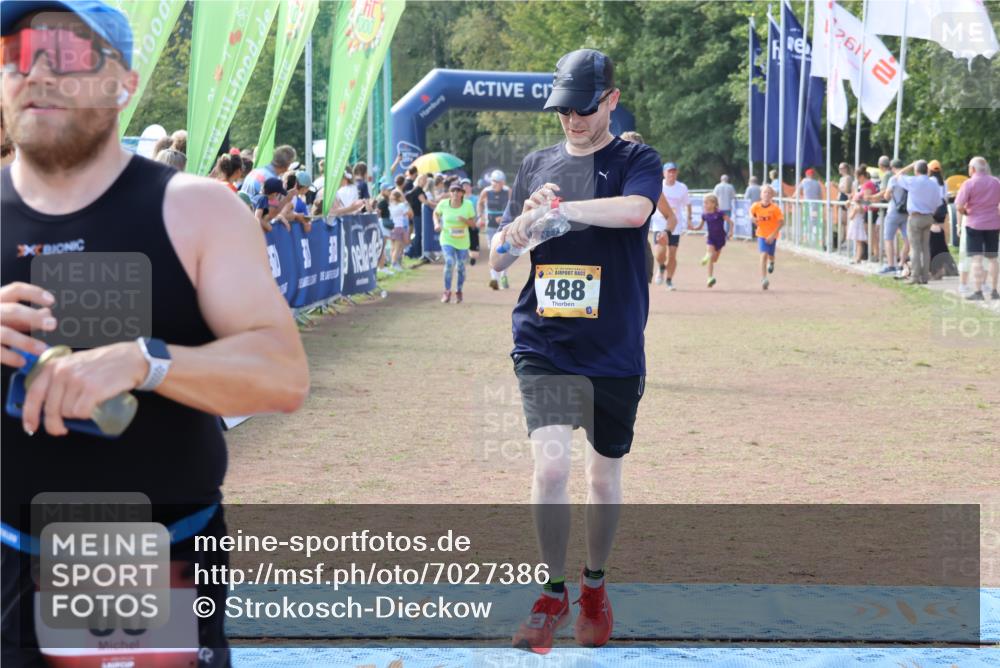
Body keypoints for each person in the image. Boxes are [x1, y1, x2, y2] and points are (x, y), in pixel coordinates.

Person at [0, 4, 309, 666]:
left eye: (71, 52)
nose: (40, 70)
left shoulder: (195, 210)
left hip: (152, 560)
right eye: (18, 50)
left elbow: (282, 375)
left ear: (125, 83)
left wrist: (148, 362)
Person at [489, 48, 661, 654]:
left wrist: (562, 213)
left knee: (604, 479)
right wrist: (517, 231)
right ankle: (551, 591)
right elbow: (500, 258)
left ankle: (594, 586)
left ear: (611, 101)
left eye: (584, 109)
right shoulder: (536, 164)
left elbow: (636, 211)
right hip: (545, 342)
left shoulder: (637, 158)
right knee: (552, 467)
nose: (573, 121)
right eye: (563, 110)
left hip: (614, 345)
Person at [620, 131, 674, 285]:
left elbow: (671, 217)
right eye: (622, 148)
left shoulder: (648, 186)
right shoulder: (606, 176)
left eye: (631, 149)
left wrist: (666, 232)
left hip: (638, 252)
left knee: (635, 306)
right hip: (608, 251)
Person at [955, 156, 1000, 300]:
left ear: (973, 169)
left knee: (976, 258)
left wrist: (966, 212)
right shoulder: (996, 182)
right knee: (993, 258)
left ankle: (978, 291)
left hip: (974, 224)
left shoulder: (969, 184)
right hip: (993, 224)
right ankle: (994, 290)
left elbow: (959, 206)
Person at [896, 160, 944, 285]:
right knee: (925, 248)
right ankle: (925, 277)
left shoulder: (912, 181)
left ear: (916, 170)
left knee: (915, 248)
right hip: (928, 217)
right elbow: (938, 203)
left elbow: (897, 175)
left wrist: (910, 165)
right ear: (927, 170)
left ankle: (915, 276)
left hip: (915, 217)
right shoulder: (933, 184)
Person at [434, 181, 475, 303]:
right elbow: (435, 213)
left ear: (463, 193)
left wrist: (465, 220)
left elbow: (473, 225)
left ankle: (459, 290)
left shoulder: (468, 205)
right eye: (453, 191)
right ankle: (447, 291)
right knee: (450, 262)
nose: (455, 193)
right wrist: (436, 223)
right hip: (447, 239)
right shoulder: (443, 204)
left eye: (458, 191)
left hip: (463, 241)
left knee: (461, 267)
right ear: (450, 193)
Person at [478, 169, 512, 289]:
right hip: (491, 225)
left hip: (505, 226)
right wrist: (480, 216)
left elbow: (513, 205)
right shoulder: (486, 191)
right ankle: (494, 279)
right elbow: (480, 204)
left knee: (505, 251)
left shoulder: (508, 191)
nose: (495, 183)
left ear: (503, 182)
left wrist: (506, 216)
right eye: (494, 181)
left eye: (498, 181)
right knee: (492, 251)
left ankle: (503, 275)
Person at [690, 193, 732, 288]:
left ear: (713, 204)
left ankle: (709, 256)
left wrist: (731, 232)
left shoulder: (720, 213)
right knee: (710, 255)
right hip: (711, 238)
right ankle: (710, 278)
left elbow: (731, 222)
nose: (704, 205)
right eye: (704, 203)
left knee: (714, 260)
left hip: (721, 239)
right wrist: (694, 228)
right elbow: (700, 227)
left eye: (706, 203)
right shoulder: (704, 215)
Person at [661, 161, 691, 291]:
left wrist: (689, 219)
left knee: (672, 254)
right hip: (660, 223)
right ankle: (661, 266)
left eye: (674, 171)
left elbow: (687, 204)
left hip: (675, 224)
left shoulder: (682, 187)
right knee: (660, 252)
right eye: (669, 171)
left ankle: (669, 280)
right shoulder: (658, 185)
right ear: (664, 173)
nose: (672, 174)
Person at [927, 161, 958, 279]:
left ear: (930, 170)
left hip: (933, 209)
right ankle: (946, 266)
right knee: (941, 239)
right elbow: (945, 197)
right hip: (942, 211)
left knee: (932, 240)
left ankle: (934, 268)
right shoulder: (944, 183)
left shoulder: (930, 181)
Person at [751, 184, 784, 290]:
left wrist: (773, 234)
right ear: (761, 195)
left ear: (772, 196)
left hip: (772, 235)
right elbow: (750, 213)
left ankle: (772, 262)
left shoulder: (775, 208)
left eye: (769, 193)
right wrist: (752, 218)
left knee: (770, 255)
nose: (766, 194)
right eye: (765, 192)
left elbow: (781, 222)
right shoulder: (756, 206)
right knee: (763, 255)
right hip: (761, 234)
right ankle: (764, 279)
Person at [881, 159, 911, 275]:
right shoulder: (908, 179)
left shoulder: (893, 179)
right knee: (907, 239)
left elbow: (887, 196)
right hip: (906, 212)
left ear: (893, 168)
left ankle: (891, 265)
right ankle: (901, 263)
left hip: (894, 211)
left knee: (888, 239)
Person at [847, 166, 877, 264]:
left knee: (868, 236)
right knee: (863, 237)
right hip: (863, 213)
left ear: (862, 176)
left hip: (868, 213)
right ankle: (870, 255)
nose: (857, 180)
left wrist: (858, 203)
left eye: (858, 177)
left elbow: (868, 202)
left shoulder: (868, 184)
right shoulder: (865, 185)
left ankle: (876, 254)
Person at [405, 172, 434, 259]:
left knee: (419, 234)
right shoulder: (418, 190)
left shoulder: (419, 190)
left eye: (425, 180)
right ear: (419, 180)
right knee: (418, 234)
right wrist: (435, 204)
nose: (425, 181)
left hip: (418, 214)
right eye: (423, 179)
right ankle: (415, 252)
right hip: (417, 215)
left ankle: (414, 252)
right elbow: (424, 202)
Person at [389, 188, 412, 272]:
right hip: (399, 227)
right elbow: (409, 213)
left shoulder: (390, 205)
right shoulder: (401, 205)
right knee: (398, 247)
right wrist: (405, 202)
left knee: (393, 247)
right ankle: (394, 264)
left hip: (392, 227)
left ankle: (395, 263)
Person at [463, 178, 480, 265]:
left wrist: (479, 219)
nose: (465, 188)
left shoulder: (476, 198)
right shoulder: (459, 198)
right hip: (462, 224)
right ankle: (464, 256)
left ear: (470, 187)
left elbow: (479, 210)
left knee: (472, 242)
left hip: (473, 223)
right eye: (463, 186)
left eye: (467, 186)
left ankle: (472, 256)